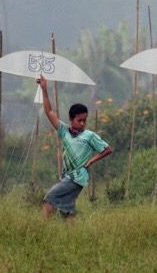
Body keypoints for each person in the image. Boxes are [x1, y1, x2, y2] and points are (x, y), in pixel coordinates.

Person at [36, 75, 112, 218]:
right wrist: (44, 89)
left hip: (77, 177)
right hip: (67, 175)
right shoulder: (64, 131)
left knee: (49, 198)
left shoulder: (89, 136)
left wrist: (90, 161)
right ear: (71, 119)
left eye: (84, 120)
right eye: (79, 120)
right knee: (67, 211)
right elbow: (49, 112)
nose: (82, 123)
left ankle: (39, 229)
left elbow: (107, 150)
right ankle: (74, 235)